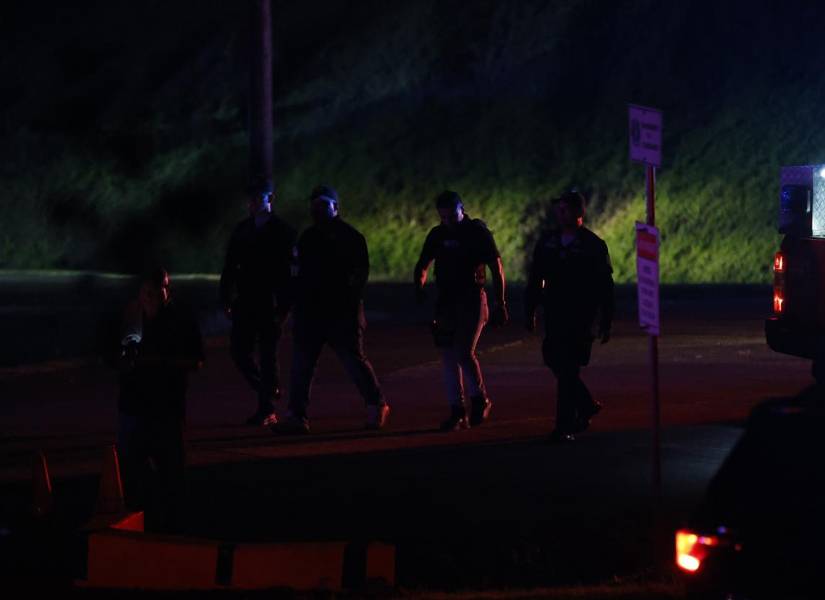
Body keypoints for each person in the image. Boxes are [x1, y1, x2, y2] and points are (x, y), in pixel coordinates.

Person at [276, 185, 389, 433]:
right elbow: (296, 274)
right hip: (310, 313)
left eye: (323, 204)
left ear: (335, 207)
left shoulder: (351, 237)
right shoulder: (307, 238)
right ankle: (296, 415)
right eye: (314, 205)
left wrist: (346, 305)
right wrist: (290, 306)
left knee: (353, 362)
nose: (317, 209)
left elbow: (358, 277)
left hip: (341, 314)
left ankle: (376, 404)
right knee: (301, 366)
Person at [111, 267, 204, 531]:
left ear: (167, 291)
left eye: (157, 291)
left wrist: (161, 363)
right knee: (132, 475)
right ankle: (142, 523)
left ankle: (173, 529)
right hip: (134, 407)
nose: (152, 297)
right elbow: (112, 356)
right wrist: (126, 362)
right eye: (147, 293)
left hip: (166, 409)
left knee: (171, 474)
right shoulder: (130, 317)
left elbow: (197, 359)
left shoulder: (181, 320)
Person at [413, 190, 509, 431]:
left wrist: (501, 303)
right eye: (442, 217)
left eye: (451, 216)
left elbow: (496, 267)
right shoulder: (438, 234)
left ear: (461, 209)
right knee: (447, 356)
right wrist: (419, 285)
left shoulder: (477, 232)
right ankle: (457, 411)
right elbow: (423, 263)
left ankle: (480, 399)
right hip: (446, 302)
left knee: (463, 351)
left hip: (472, 300)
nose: (447, 222)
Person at [525, 190, 614, 443]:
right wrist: (530, 309)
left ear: (578, 213)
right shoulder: (548, 242)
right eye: (558, 209)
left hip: (581, 317)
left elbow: (605, 285)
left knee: (568, 369)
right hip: (554, 314)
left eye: (564, 209)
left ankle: (563, 426)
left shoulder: (593, 245)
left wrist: (606, 319)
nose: (559, 213)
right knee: (555, 360)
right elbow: (535, 278)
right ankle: (585, 404)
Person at [220, 180, 297, 426]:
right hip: (246, 300)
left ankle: (267, 407)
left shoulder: (283, 231)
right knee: (239, 351)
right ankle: (269, 392)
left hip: (270, 302)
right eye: (251, 199)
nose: (252, 204)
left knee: (267, 356)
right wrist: (226, 297)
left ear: (269, 199)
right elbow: (230, 266)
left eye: (257, 199)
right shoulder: (243, 229)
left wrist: (285, 306)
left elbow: (291, 272)